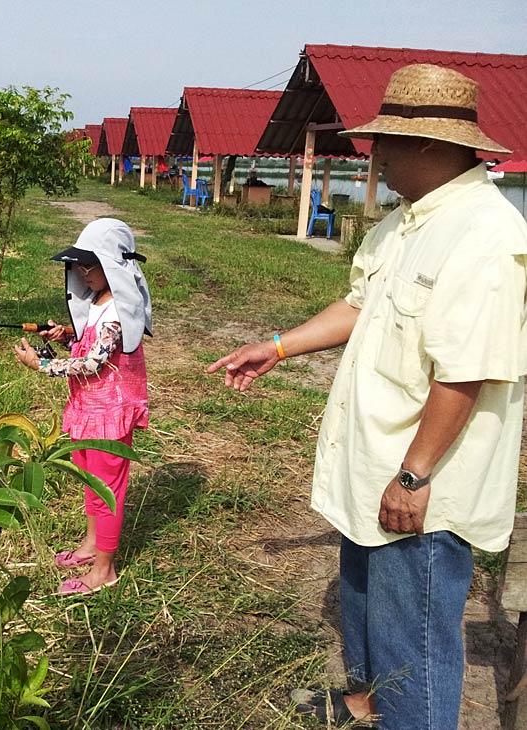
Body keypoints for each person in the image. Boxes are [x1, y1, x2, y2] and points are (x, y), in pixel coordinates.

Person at [207, 63, 527, 729]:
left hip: (420, 483)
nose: (371, 155)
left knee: (414, 638)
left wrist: (413, 474)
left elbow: (464, 372)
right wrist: (278, 346)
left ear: (429, 147)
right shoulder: (405, 222)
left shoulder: (486, 238)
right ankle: (366, 701)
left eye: (382, 143)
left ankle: (406, 712)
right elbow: (360, 303)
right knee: (367, 608)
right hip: (372, 463)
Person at [13, 218, 151, 595]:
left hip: (111, 413)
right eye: (77, 266)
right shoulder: (97, 302)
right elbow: (91, 343)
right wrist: (66, 335)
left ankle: (104, 569)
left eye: (89, 265)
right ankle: (92, 545)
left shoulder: (120, 310)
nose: (82, 273)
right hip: (89, 408)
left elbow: (93, 363)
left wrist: (41, 365)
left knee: (108, 488)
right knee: (90, 480)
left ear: (112, 267)